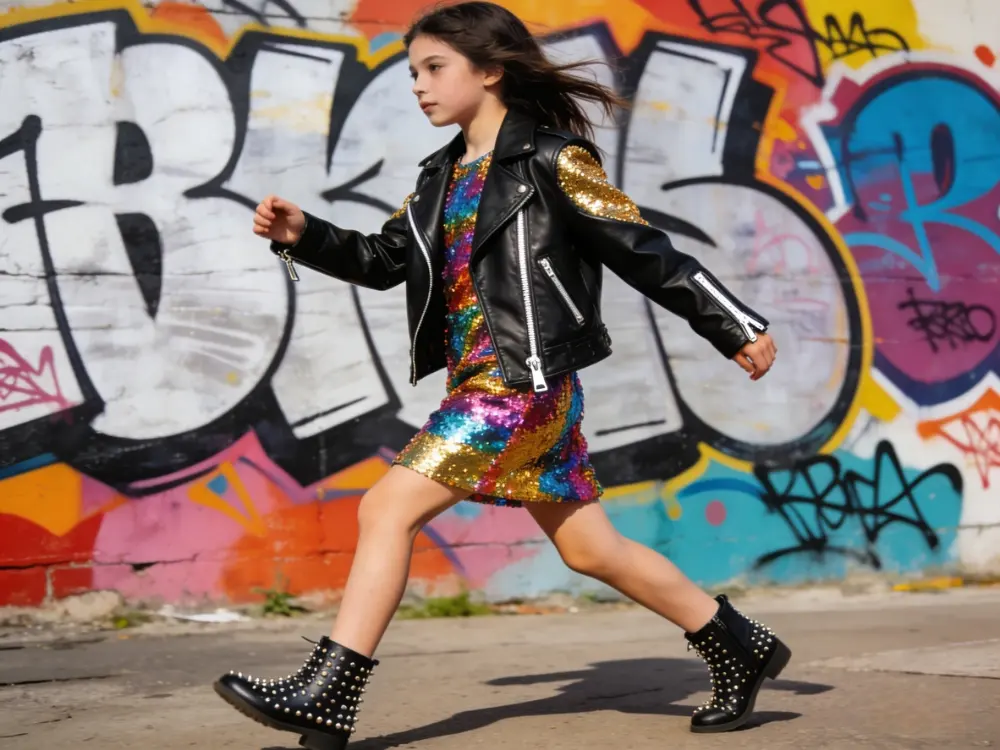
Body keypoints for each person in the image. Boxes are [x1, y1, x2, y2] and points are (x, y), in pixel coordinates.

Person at [213, 2, 787, 747]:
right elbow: (386, 261)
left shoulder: (551, 160)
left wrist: (732, 322)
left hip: (521, 386)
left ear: (490, 71)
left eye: (434, 68)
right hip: (483, 382)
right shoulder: (439, 176)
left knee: (386, 509)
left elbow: (643, 247)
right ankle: (740, 644)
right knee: (590, 549)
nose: (418, 86)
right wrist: (305, 235)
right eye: (413, 72)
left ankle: (328, 694)